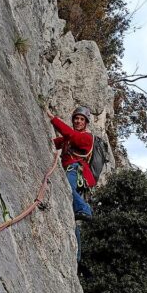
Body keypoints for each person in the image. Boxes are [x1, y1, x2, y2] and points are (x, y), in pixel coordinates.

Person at [49, 106, 96, 260]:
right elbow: (54, 142)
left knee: (68, 190)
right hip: (68, 170)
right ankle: (77, 256)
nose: (78, 121)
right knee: (71, 215)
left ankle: (85, 209)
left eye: (82, 119)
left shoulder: (86, 137)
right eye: (76, 118)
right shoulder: (68, 138)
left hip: (75, 169)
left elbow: (69, 134)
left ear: (86, 122)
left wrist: (53, 118)